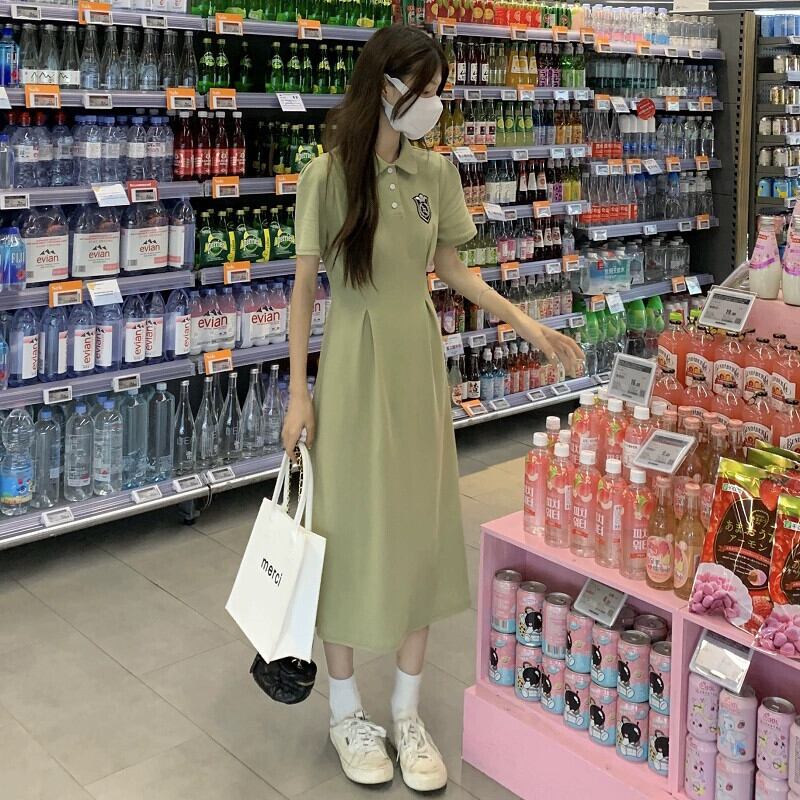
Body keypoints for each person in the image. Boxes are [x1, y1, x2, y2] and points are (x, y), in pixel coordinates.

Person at [282, 25, 583, 792]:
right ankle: (345, 711)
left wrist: (526, 323)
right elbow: (305, 290)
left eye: (440, 91)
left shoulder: (435, 172)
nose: (434, 104)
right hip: (352, 363)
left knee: (419, 525)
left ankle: (406, 712)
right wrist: (298, 393)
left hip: (417, 361)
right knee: (345, 530)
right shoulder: (326, 175)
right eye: (423, 90)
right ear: (384, 86)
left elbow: (453, 269)